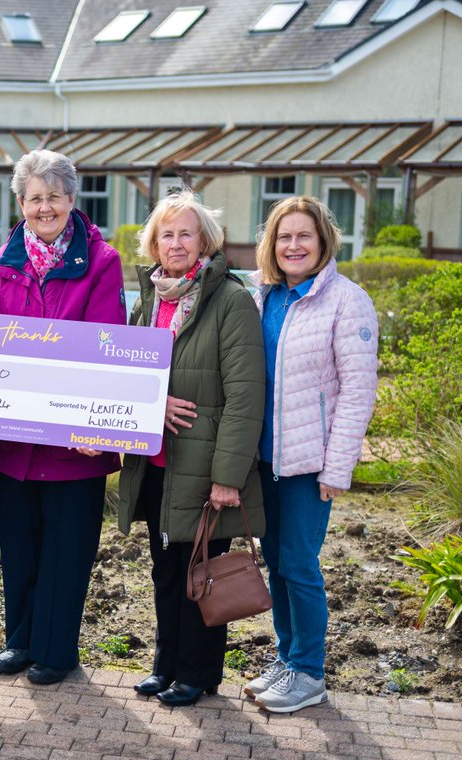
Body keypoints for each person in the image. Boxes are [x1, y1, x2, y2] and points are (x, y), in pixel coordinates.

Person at [0, 149, 126, 686]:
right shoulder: (2, 263)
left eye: (54, 197)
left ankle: (56, 651)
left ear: (71, 200)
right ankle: (19, 640)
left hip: (73, 440)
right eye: (34, 197)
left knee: (67, 551)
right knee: (19, 545)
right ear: (21, 203)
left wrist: (96, 424)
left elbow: (103, 345)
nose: (45, 207)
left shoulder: (101, 261)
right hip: (16, 440)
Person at [116, 189, 266, 707]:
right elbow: (132, 376)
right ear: (154, 244)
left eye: (185, 233)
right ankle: (166, 664)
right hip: (156, 462)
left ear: (205, 240)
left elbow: (246, 397)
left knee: (199, 573)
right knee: (164, 569)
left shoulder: (230, 300)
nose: (175, 243)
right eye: (166, 234)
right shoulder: (149, 299)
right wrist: (149, 404)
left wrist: (228, 476)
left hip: (205, 468)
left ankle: (197, 673)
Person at [245, 196, 378, 713]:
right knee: (275, 562)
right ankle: (287, 658)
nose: (293, 245)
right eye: (284, 236)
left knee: (300, 565)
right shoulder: (262, 295)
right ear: (271, 246)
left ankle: (309, 672)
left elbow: (357, 390)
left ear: (323, 241)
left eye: (304, 235)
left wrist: (337, 466)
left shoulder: (347, 301)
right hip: (263, 459)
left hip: (308, 464)